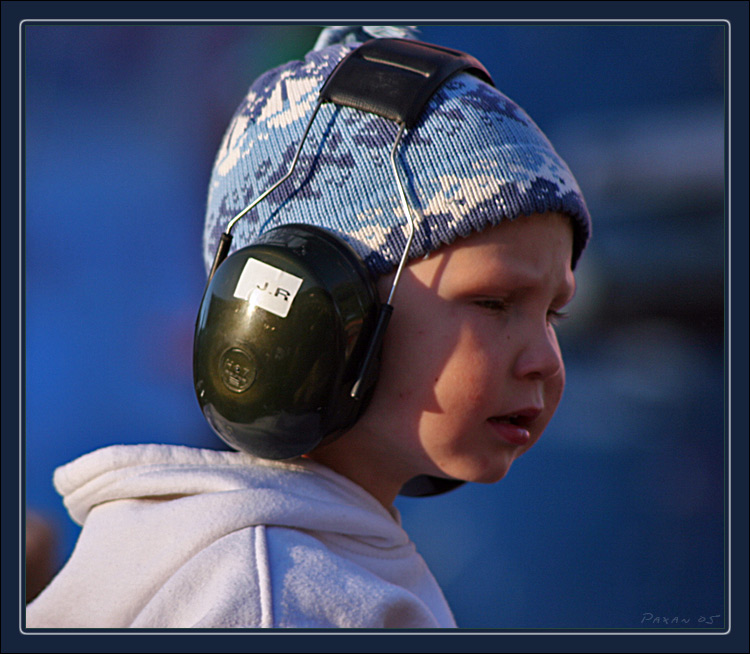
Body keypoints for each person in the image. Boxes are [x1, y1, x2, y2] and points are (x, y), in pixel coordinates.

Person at [26, 26, 590, 629]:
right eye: (494, 302)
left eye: (553, 312)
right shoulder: (269, 593)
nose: (547, 361)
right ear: (307, 308)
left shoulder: (313, 562)